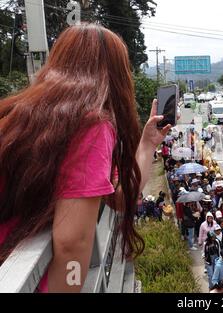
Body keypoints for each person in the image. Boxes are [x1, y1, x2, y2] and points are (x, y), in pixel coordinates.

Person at [0, 24, 172, 292]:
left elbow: (118, 197)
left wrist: (147, 143)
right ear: (116, 76)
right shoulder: (92, 125)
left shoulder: (19, 114)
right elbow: (72, 242)